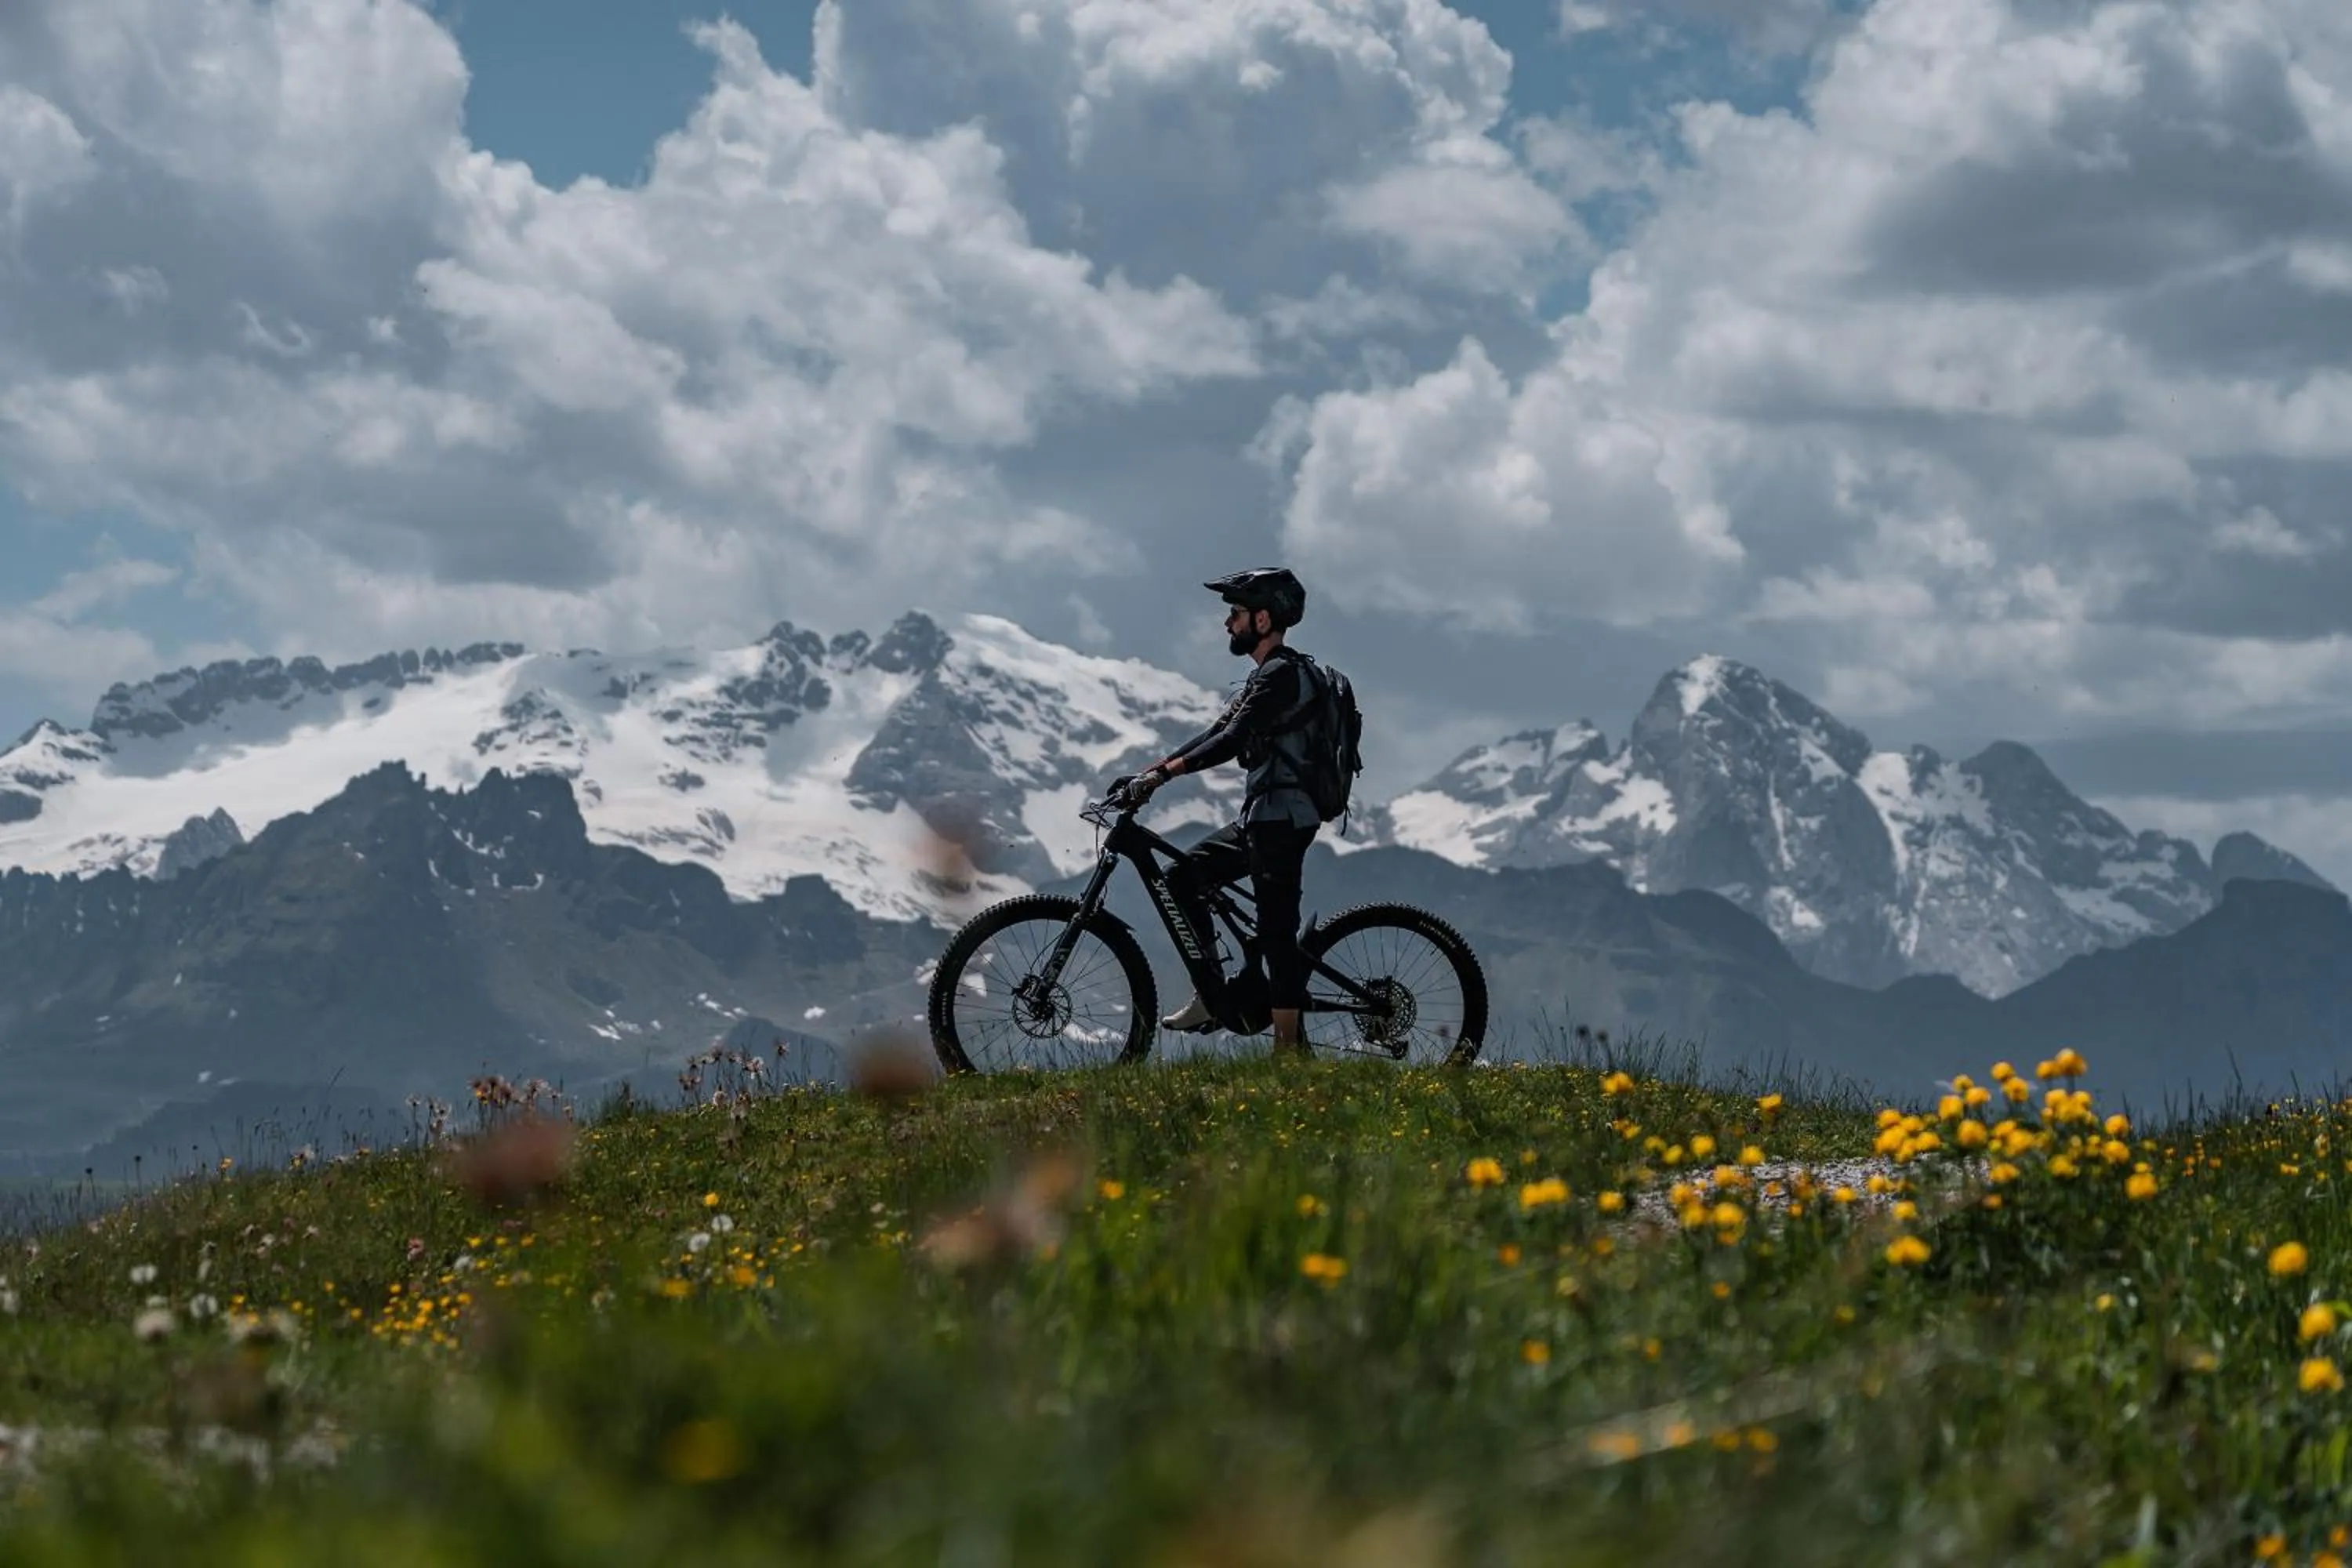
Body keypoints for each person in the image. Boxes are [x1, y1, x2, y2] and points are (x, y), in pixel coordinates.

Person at [1110, 567, 1323, 1058]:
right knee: (1182, 879)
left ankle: (1288, 1052)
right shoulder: (1262, 678)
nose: (1227, 623)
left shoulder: (1282, 675)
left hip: (1285, 820)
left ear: (1263, 619)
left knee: (1276, 931)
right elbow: (1214, 732)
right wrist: (1151, 771)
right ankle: (1213, 994)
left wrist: (1162, 778)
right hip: (1261, 817)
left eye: (1236, 613)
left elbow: (1230, 743)